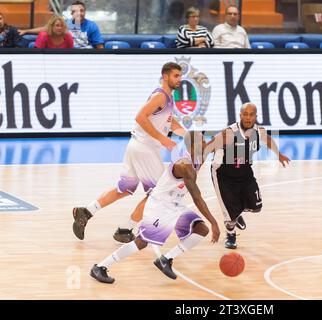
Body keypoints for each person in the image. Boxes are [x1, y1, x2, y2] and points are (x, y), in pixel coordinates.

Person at [72, 62, 186, 242]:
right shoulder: (160, 96)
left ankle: (86, 211)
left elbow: (171, 123)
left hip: (137, 146)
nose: (179, 79)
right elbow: (140, 117)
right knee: (158, 193)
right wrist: (161, 138)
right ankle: (125, 229)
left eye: (180, 76)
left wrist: (188, 136)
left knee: (124, 189)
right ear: (165, 76)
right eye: (176, 76)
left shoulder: (168, 98)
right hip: (145, 149)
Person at [90, 131, 220, 283]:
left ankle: (165, 259)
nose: (205, 144)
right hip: (160, 205)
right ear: (192, 145)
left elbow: (215, 144)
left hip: (175, 204)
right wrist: (214, 222)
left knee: (201, 229)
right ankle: (100, 267)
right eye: (202, 142)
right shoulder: (184, 165)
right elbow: (197, 198)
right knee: (141, 242)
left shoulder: (198, 156)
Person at [205, 102, 290, 249]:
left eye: (251, 115)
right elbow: (208, 147)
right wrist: (196, 165)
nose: (248, 118)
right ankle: (231, 234)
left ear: (256, 116)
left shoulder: (259, 132)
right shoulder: (229, 132)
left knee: (257, 207)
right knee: (229, 216)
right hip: (223, 176)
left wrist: (279, 155)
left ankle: (236, 213)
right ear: (240, 115)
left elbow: (268, 140)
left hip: (244, 173)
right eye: (245, 114)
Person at [20, 1, 104, 49]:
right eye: (76, 11)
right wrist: (26, 31)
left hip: (85, 56)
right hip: (68, 54)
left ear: (85, 12)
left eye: (81, 10)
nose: (79, 13)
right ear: (71, 13)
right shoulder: (64, 24)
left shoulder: (92, 26)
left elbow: (99, 46)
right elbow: (46, 28)